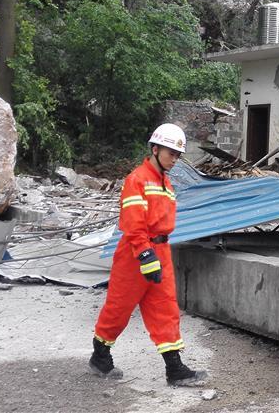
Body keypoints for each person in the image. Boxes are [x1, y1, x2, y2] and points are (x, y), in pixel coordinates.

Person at [88, 123, 208, 386]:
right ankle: (100, 355)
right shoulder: (137, 180)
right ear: (155, 149)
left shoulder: (164, 181)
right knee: (119, 308)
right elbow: (133, 223)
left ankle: (174, 370)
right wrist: (144, 255)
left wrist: (155, 254)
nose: (174, 160)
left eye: (178, 155)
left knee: (165, 309)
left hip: (161, 250)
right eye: (170, 153)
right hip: (135, 252)